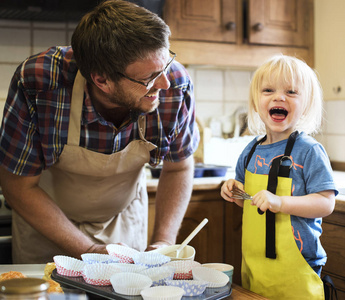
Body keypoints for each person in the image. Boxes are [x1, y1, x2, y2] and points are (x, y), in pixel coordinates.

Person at [0, 0, 199, 263]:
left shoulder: (174, 86)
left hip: (122, 220)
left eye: (166, 65)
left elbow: (179, 168)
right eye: (149, 78)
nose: (164, 83)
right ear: (101, 80)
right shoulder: (39, 83)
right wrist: (89, 250)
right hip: (46, 224)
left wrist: (163, 242)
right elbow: (17, 185)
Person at [221, 55, 337, 299]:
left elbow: (326, 203)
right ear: (255, 102)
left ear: (306, 104)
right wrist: (234, 190)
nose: (279, 97)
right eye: (268, 90)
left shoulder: (309, 151)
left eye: (291, 92)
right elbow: (249, 203)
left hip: (298, 270)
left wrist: (280, 202)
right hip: (255, 265)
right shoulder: (250, 150)